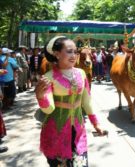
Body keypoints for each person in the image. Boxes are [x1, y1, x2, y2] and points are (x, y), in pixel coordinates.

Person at [35, 36, 106, 166]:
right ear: (56, 54)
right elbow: (49, 109)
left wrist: (96, 124)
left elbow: (87, 102)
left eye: (75, 51)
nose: (74, 55)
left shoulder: (81, 73)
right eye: (69, 51)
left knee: (81, 164)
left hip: (78, 130)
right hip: (56, 132)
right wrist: (41, 97)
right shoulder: (48, 77)